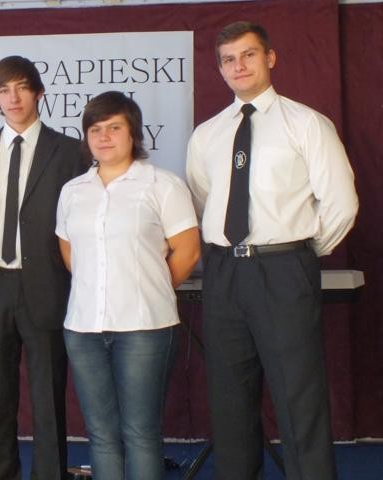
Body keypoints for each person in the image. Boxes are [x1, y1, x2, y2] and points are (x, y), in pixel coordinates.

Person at [186, 21, 358, 480]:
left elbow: (341, 203)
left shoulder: (306, 124)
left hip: (284, 270)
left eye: (248, 55)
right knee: (229, 400)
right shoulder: (207, 134)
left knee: (299, 397)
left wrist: (298, 252)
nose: (238, 66)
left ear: (270, 58)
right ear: (220, 68)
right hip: (224, 273)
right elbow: (203, 200)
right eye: (228, 59)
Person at [0, 55, 88, 480]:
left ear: (39, 93)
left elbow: (79, 222)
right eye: (3, 90)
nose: (13, 98)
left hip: (47, 285)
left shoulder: (70, 152)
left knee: (48, 396)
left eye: (22, 88)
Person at [56, 91, 201, 480]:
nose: (104, 137)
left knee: (140, 434)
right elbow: (69, 252)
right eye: (95, 129)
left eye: (114, 128)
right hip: (83, 329)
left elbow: (187, 251)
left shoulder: (162, 185)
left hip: (144, 328)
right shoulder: (73, 191)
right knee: (102, 436)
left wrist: (148, 288)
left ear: (133, 133)